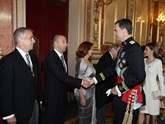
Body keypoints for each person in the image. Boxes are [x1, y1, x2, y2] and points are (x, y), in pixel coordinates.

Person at [90, 18, 146, 124]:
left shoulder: (135, 48)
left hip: (128, 95)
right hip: (120, 97)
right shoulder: (123, 49)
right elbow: (112, 68)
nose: (114, 33)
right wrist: (94, 80)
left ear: (124, 30)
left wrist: (118, 88)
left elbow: (140, 75)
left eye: (116, 30)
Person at [43, 35, 92, 124]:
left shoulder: (63, 57)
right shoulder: (50, 58)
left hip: (62, 95)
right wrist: (80, 82)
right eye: (63, 42)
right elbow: (61, 76)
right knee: (50, 120)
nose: (66, 44)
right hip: (52, 96)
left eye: (66, 42)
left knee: (60, 119)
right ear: (55, 43)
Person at [0, 27, 42, 124]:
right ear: (20, 39)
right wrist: (9, 114)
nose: (34, 41)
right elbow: (4, 90)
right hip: (19, 110)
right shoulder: (8, 61)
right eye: (31, 38)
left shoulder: (33, 57)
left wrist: (39, 101)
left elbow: (37, 81)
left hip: (35, 106)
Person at [138, 43, 165, 124]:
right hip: (144, 90)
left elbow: (161, 78)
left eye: (146, 49)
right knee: (141, 111)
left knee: (153, 113)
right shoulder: (143, 61)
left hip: (153, 91)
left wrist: (163, 93)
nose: (144, 51)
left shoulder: (158, 62)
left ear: (152, 50)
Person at [96, 44, 120, 124]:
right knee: (101, 107)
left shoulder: (108, 57)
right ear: (114, 51)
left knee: (102, 107)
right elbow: (107, 74)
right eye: (118, 52)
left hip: (104, 86)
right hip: (102, 87)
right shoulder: (107, 58)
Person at [74, 41, 96, 124]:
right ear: (87, 50)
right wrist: (82, 97)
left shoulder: (88, 61)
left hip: (90, 91)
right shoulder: (81, 62)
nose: (93, 51)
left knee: (89, 115)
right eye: (92, 49)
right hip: (82, 92)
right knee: (84, 116)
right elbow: (78, 81)